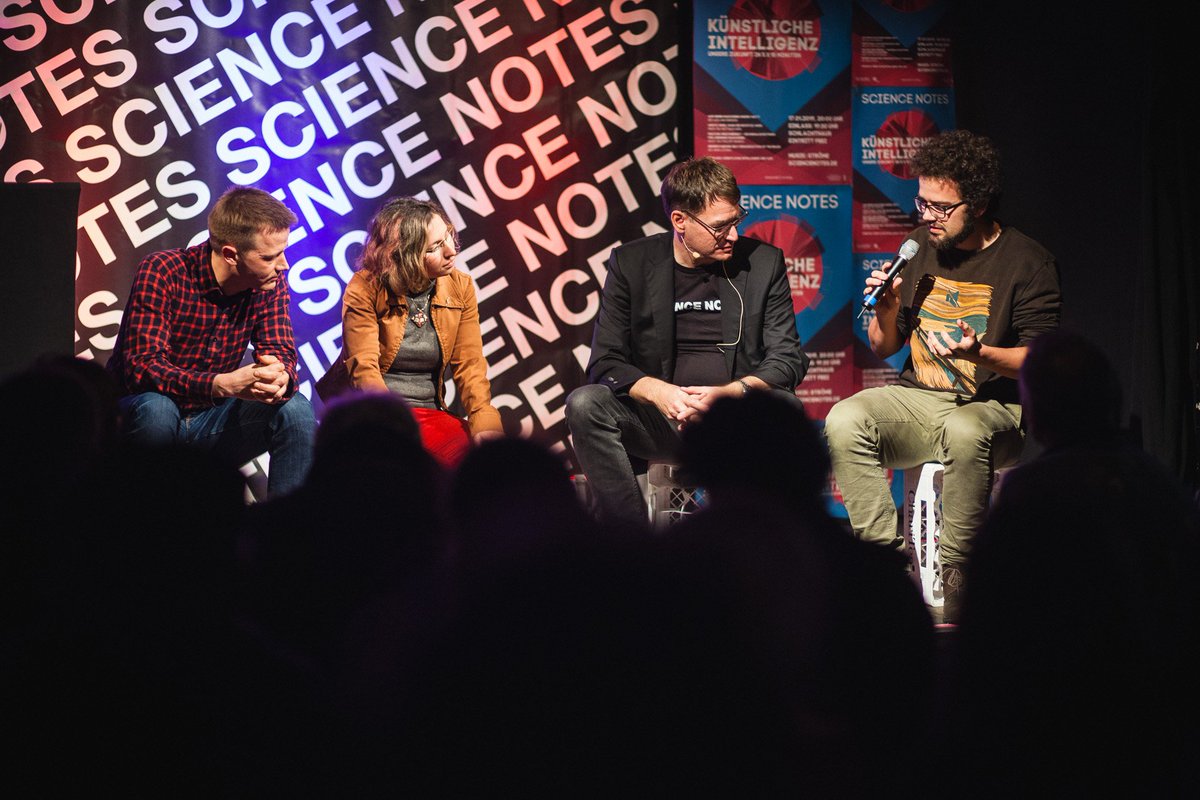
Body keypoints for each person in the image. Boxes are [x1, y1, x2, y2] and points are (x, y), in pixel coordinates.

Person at [823, 129, 1062, 622]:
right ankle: (883, 568)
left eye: (940, 207)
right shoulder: (917, 247)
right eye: (921, 202)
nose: (926, 216)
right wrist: (887, 311)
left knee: (963, 427)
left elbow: (1043, 356)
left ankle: (958, 573)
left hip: (994, 408)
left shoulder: (1027, 261)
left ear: (975, 205)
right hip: (919, 401)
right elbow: (884, 345)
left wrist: (983, 353)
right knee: (846, 418)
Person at [565, 157, 809, 528]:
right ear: (680, 221)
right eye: (719, 227)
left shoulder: (763, 262)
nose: (733, 236)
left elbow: (788, 358)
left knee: (784, 405)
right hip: (663, 420)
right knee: (585, 404)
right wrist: (662, 394)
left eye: (736, 221)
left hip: (736, 420)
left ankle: (761, 542)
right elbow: (605, 360)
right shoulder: (631, 263)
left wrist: (729, 393)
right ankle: (632, 543)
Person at [107, 186, 315, 497]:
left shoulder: (269, 283)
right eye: (270, 256)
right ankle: (145, 533)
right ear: (231, 254)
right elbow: (142, 368)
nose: (283, 265)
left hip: (212, 422)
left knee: (295, 409)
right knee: (157, 409)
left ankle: (285, 535)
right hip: (144, 419)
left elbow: (280, 349)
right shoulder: (163, 271)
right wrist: (221, 384)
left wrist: (278, 374)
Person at [335, 197, 502, 467]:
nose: (451, 252)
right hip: (381, 417)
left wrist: (485, 422)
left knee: (485, 465)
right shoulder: (364, 287)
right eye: (435, 247)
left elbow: (470, 365)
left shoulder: (461, 286)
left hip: (433, 413)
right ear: (404, 255)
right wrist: (394, 427)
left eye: (449, 236)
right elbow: (363, 369)